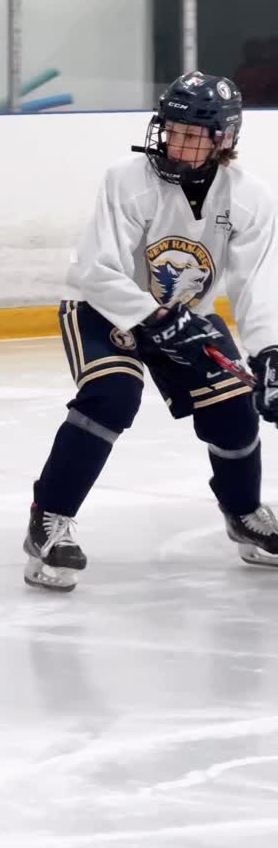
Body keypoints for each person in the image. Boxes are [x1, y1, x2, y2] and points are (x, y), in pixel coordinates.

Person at [24, 70, 278, 592]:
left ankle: (245, 512)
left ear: (223, 141)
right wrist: (157, 318)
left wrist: (270, 351)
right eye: (172, 129)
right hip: (104, 309)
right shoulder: (127, 178)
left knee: (232, 408)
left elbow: (256, 284)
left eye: (193, 135)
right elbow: (96, 270)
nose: (176, 143)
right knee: (112, 395)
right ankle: (48, 520)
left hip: (186, 317)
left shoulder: (250, 198)